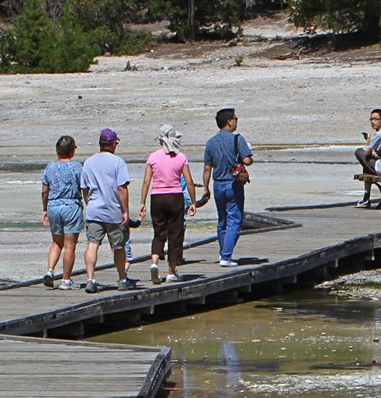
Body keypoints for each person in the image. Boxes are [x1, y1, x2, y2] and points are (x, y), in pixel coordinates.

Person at [138, 124, 197, 283]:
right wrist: (193, 202)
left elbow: (146, 181)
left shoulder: (153, 157)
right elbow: (189, 182)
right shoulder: (180, 157)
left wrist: (142, 202)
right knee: (175, 234)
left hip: (157, 197)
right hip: (175, 196)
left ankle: (154, 262)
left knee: (159, 233)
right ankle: (171, 271)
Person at [81, 128, 137, 293]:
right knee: (118, 246)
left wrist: (89, 203)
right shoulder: (118, 162)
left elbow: (84, 188)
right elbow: (122, 188)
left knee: (92, 244)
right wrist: (125, 211)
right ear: (113, 144)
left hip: (94, 210)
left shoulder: (89, 162)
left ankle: (90, 279)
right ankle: (122, 278)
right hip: (113, 211)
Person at [202, 108, 254, 267]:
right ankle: (226, 256)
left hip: (217, 184)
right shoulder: (237, 139)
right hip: (233, 184)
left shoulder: (211, 142)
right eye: (235, 119)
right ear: (229, 121)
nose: (237, 121)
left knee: (222, 220)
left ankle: (223, 252)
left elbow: (207, 168)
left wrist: (206, 188)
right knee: (235, 220)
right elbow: (247, 161)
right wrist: (249, 154)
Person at [41, 135, 83, 290]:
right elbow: (83, 187)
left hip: (53, 206)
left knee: (56, 242)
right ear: (72, 150)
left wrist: (45, 209)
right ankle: (66, 279)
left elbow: (45, 191)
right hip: (71, 205)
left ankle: (50, 270)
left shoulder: (50, 167)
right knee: (70, 245)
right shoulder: (77, 166)